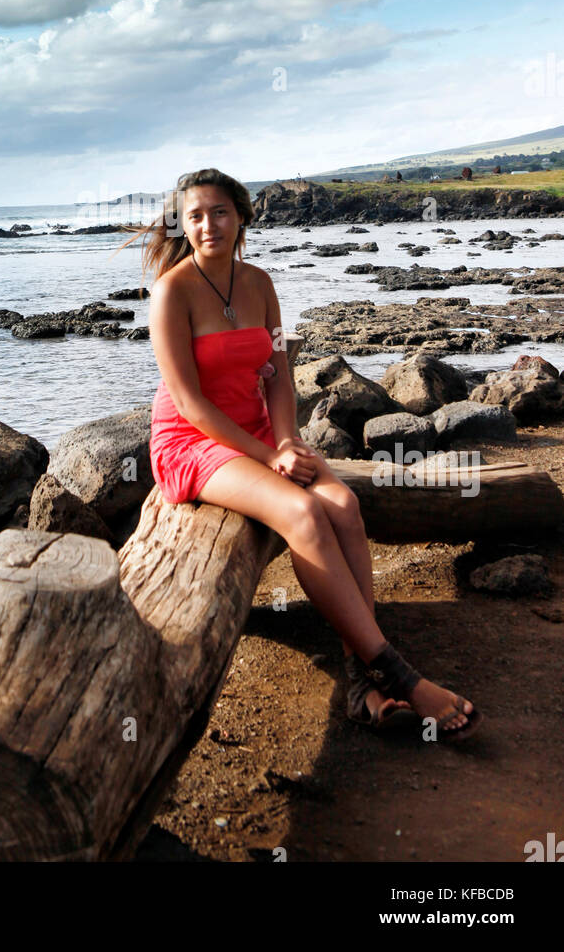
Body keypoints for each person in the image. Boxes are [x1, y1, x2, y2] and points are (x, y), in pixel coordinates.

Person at [115, 167, 481, 742]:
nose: (208, 224)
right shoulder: (171, 293)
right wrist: (268, 456)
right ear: (181, 226)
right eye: (194, 216)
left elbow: (280, 376)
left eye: (219, 212)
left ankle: (361, 683)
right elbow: (188, 402)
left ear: (240, 217)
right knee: (305, 514)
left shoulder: (260, 284)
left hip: (262, 427)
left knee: (342, 505)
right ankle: (400, 676)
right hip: (196, 440)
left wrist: (286, 439)